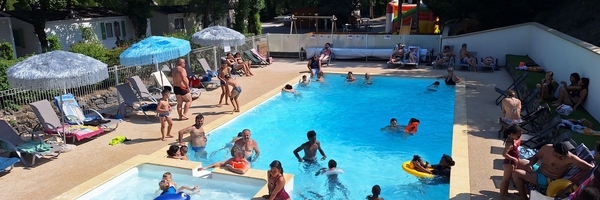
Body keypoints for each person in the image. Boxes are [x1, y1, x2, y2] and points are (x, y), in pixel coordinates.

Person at [512, 141, 594, 200]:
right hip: (538, 170)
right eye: (557, 155)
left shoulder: (571, 158)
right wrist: (530, 164)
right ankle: (519, 188)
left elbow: (590, 168)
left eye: (561, 157)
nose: (559, 157)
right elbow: (536, 157)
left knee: (517, 173)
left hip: (549, 180)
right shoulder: (547, 148)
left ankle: (523, 197)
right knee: (517, 162)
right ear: (553, 149)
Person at [500, 125, 524, 200]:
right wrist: (513, 158)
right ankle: (501, 197)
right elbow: (504, 154)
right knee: (505, 180)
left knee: (508, 179)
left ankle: (506, 192)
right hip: (509, 163)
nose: (519, 137)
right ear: (512, 134)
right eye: (518, 135)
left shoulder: (512, 140)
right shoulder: (509, 144)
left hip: (511, 163)